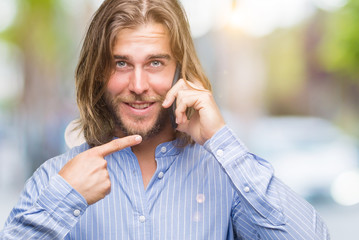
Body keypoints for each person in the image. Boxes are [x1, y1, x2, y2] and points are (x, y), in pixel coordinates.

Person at [0, 0, 330, 239]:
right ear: (97, 72)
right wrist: (64, 200)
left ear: (178, 71)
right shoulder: (54, 181)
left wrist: (222, 141)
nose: (139, 85)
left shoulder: (226, 177)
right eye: (121, 63)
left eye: (156, 63)